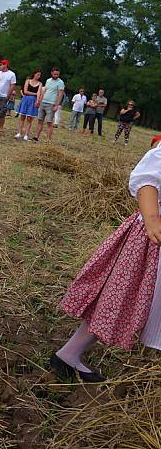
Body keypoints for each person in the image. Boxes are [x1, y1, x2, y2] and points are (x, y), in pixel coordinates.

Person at [51, 139, 161, 381]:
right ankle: (70, 353)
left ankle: (70, 353)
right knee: (120, 299)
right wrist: (152, 218)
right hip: (153, 242)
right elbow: (148, 180)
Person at [32, 67, 65, 142]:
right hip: (43, 102)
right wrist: (39, 101)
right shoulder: (48, 80)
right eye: (55, 74)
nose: (56, 75)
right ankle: (36, 137)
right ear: (52, 73)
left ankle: (48, 139)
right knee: (40, 120)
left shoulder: (60, 82)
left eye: (57, 74)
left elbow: (60, 94)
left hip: (51, 104)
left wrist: (56, 105)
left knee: (49, 122)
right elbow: (44, 91)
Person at [14, 70, 42, 140]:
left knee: (29, 118)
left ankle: (26, 134)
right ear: (34, 74)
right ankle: (19, 133)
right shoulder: (28, 81)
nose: (39, 76)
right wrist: (34, 94)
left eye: (40, 75)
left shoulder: (40, 84)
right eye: (38, 75)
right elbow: (25, 91)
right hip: (25, 99)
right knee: (22, 117)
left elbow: (39, 92)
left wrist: (38, 101)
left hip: (33, 101)